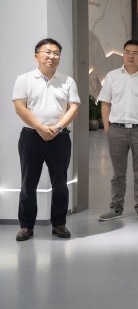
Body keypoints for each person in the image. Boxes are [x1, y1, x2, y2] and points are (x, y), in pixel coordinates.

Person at [13, 38, 80, 241]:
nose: (52, 56)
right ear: (37, 56)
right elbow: (20, 108)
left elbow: (73, 108)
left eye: (56, 53)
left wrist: (57, 128)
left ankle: (59, 223)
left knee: (60, 183)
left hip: (60, 138)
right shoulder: (24, 79)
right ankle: (26, 226)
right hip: (31, 137)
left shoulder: (67, 81)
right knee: (28, 183)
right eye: (47, 52)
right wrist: (40, 128)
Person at [97, 40, 138, 222]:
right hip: (116, 130)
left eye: (135, 53)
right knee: (118, 173)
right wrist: (108, 129)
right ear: (123, 54)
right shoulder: (112, 76)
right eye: (127, 52)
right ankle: (116, 208)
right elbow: (105, 103)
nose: (130, 56)